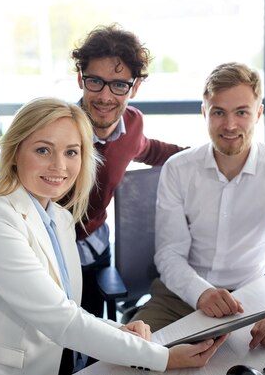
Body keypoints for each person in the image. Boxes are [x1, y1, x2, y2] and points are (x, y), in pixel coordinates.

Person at [0, 97, 227, 375]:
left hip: (61, 369)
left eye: (72, 152)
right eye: (43, 150)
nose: (59, 165)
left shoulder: (59, 218)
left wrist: (121, 330)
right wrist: (163, 357)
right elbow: (61, 319)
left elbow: (66, 310)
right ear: (15, 153)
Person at [132, 62, 265, 349]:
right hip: (179, 295)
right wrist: (201, 293)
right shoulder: (178, 169)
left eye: (241, 112)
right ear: (204, 112)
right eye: (219, 112)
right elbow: (170, 254)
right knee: (129, 356)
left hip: (249, 298)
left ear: (258, 113)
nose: (230, 125)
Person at [68, 24, 186, 318]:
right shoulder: (61, 129)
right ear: (81, 80)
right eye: (95, 81)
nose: (106, 96)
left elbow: (150, 149)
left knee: (95, 338)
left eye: (119, 84)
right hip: (53, 252)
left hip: (96, 246)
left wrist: (205, 156)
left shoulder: (132, 124)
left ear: (134, 87)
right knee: (59, 349)